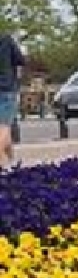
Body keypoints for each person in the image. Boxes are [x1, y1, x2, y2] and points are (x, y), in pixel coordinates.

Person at [0, 28, 24, 172]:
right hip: (6, 89)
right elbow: (21, 60)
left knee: (5, 129)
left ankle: (11, 163)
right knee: (4, 126)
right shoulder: (6, 40)